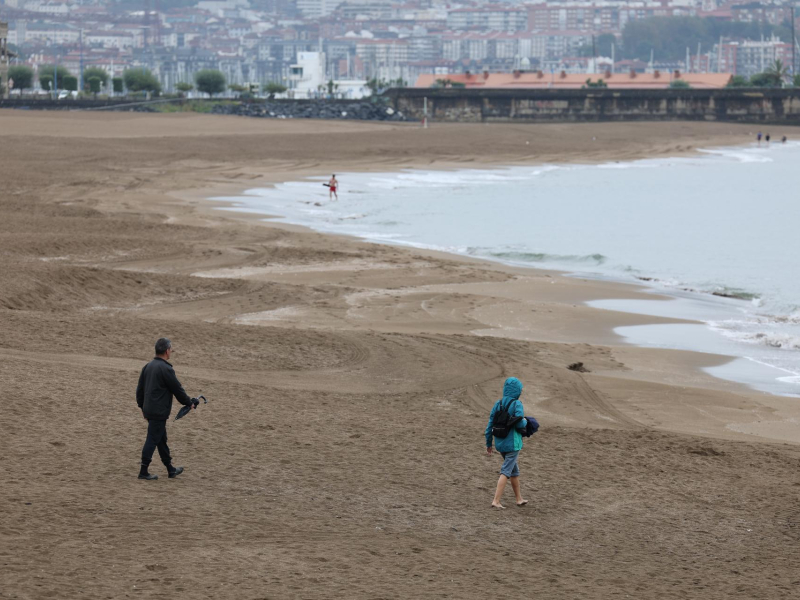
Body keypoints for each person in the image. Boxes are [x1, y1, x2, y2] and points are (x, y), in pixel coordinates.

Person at [136, 338, 195, 480]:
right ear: (167, 351)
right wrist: (189, 402)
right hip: (158, 411)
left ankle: (170, 469)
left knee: (161, 439)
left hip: (150, 409)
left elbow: (139, 390)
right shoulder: (166, 369)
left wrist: (142, 407)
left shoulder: (148, 366)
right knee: (152, 439)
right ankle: (143, 471)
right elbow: (177, 389)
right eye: (171, 350)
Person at [485, 377, 528, 509]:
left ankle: (519, 499)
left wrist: (488, 443)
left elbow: (490, 425)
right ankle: (496, 501)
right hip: (512, 444)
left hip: (500, 443)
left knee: (514, 470)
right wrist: (526, 421)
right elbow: (520, 422)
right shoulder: (517, 404)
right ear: (518, 391)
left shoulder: (498, 404)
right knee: (506, 471)